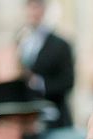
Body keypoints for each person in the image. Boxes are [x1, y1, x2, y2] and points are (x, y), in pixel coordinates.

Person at [17, 0, 75, 129]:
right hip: (26, 117)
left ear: (44, 11)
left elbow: (68, 82)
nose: (33, 13)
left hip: (54, 116)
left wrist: (38, 83)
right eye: (30, 8)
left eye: (36, 8)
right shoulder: (21, 41)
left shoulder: (60, 45)